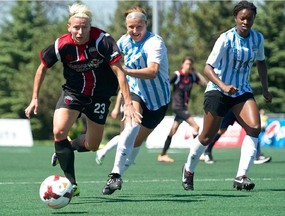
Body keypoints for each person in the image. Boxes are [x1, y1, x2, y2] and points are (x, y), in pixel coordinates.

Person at [24, 3, 141, 197]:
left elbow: (119, 71)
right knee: (59, 130)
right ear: (69, 27)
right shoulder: (61, 45)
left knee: (92, 145)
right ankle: (72, 183)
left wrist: (127, 102)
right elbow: (42, 67)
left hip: (100, 95)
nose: (80, 32)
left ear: (90, 26)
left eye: (84, 27)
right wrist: (34, 98)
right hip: (74, 92)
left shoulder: (103, 40)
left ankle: (67, 148)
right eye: (76, 27)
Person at [181, 0, 272, 192]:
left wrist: (265, 89)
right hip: (218, 90)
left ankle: (241, 176)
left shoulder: (257, 38)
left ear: (254, 19)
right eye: (242, 18)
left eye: (249, 19)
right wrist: (222, 85)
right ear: (236, 18)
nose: (246, 22)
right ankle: (188, 169)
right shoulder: (225, 38)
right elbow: (207, 68)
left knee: (254, 128)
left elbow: (261, 63)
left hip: (242, 91)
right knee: (207, 136)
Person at [102, 6, 170, 195]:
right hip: (135, 93)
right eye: (130, 27)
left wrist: (125, 71)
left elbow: (152, 71)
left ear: (145, 24)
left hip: (159, 102)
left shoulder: (155, 43)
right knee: (130, 128)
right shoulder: (123, 42)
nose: (134, 31)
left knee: (135, 144)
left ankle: (119, 173)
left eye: (138, 27)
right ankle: (114, 174)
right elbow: (110, 62)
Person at [158, 56, 207, 163]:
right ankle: (196, 154)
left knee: (173, 131)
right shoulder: (177, 75)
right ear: (182, 64)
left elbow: (204, 83)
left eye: (190, 64)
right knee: (196, 126)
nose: (188, 66)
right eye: (187, 64)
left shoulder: (191, 76)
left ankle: (162, 154)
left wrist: (196, 72)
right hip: (178, 107)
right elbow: (165, 83)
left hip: (183, 107)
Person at [200, 109, 272, 164]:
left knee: (252, 128)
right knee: (221, 130)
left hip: (241, 108)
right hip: (230, 109)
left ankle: (258, 155)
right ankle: (207, 152)